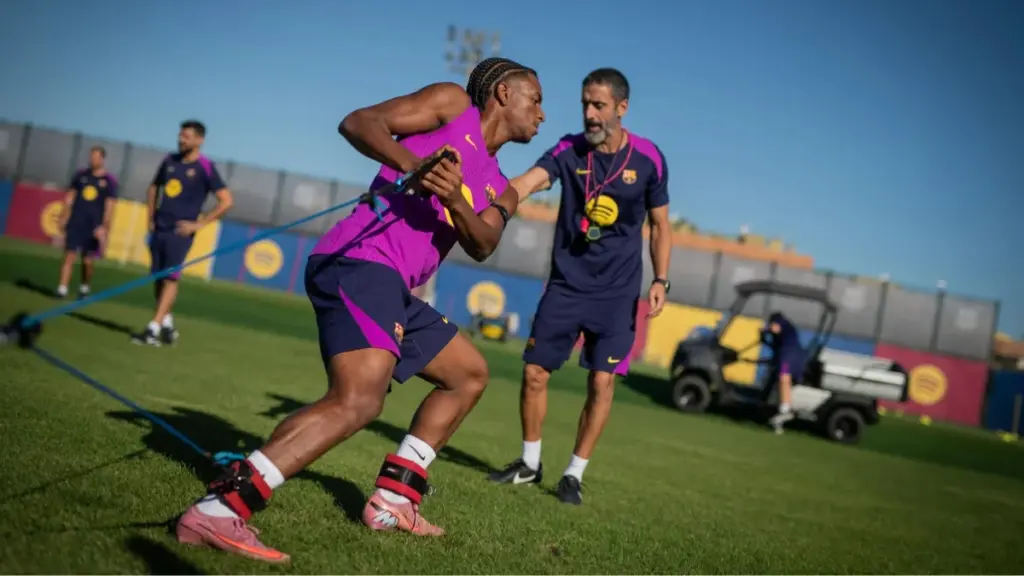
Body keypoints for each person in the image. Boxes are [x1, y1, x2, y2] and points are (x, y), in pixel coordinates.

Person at [173, 57, 545, 563]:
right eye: (535, 99)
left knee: (468, 375)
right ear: (502, 93)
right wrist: (413, 165)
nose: (542, 114)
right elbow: (359, 122)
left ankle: (394, 500)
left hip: (393, 287)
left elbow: (483, 243)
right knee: (359, 402)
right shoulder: (452, 103)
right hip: (360, 261)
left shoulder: (499, 186)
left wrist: (454, 199)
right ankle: (219, 509)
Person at [488, 68, 673, 505]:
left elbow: (661, 225)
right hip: (566, 286)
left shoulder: (649, 159)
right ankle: (529, 464)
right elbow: (529, 182)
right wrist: (489, 199)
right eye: (585, 104)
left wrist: (661, 278)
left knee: (602, 382)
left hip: (617, 293)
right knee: (534, 372)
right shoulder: (569, 150)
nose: (589, 114)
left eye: (599, 105)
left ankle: (574, 474)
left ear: (622, 108)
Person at [131, 120, 234, 347]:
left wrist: (198, 225)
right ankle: (167, 324)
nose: (181, 139)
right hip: (160, 228)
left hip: (180, 232)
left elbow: (226, 201)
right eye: (180, 135)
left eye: (186, 136)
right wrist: (150, 217)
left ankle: (153, 329)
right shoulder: (169, 161)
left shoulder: (205, 167)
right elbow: (153, 187)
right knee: (158, 277)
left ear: (199, 140)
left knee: (171, 277)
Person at [55, 146, 118, 300]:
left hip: (93, 226)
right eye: (91, 156)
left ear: (102, 159)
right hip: (76, 221)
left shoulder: (109, 181)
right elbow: (70, 197)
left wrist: (104, 227)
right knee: (69, 254)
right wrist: (64, 215)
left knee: (87, 260)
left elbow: (110, 206)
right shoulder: (80, 175)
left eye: (96, 157)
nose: (93, 160)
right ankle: (62, 288)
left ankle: (84, 285)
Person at [762, 311, 805, 434]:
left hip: (788, 358)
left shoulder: (782, 323)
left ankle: (785, 409)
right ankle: (782, 413)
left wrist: (765, 330)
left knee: (784, 378)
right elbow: (774, 345)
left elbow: (774, 329)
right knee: (783, 380)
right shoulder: (785, 333)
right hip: (792, 357)